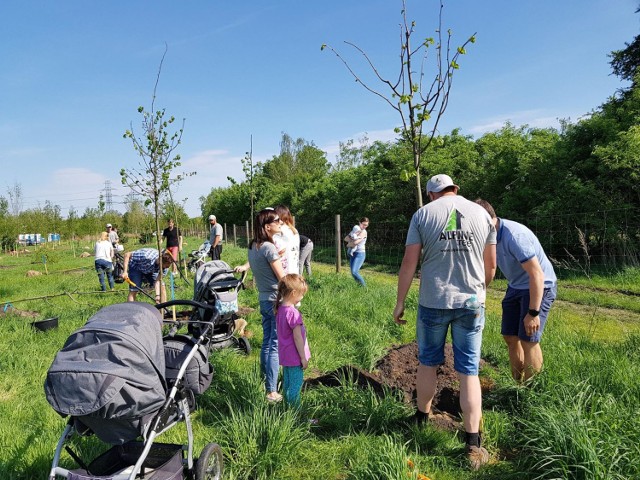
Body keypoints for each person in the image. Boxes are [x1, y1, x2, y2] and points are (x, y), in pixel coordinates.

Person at [393, 174, 497, 470]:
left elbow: (409, 263)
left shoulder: (423, 215)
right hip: (472, 304)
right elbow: (490, 266)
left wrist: (400, 302)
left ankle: (421, 419)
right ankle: (474, 445)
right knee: (469, 370)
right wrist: (479, 290)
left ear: (430, 194)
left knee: (427, 362)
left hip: (433, 301)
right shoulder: (482, 214)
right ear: (456, 189)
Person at [475, 199, 557, 382]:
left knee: (529, 339)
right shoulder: (487, 237)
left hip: (539, 286)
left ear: (485, 220)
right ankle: (516, 384)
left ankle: (528, 393)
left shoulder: (514, 236)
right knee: (510, 337)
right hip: (515, 287)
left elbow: (537, 275)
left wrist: (533, 312)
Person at [234, 209, 286, 403]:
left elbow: (262, 266)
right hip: (276, 300)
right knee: (274, 345)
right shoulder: (269, 248)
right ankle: (271, 391)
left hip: (264, 299)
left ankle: (267, 380)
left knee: (267, 342)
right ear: (267, 226)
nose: (280, 223)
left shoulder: (253, 246)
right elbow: (282, 279)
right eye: (277, 221)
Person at [275, 273, 311, 406]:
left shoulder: (280, 309)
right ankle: (297, 417)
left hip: (285, 356)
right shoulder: (293, 313)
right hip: (295, 357)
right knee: (295, 388)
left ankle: (286, 409)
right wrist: (303, 357)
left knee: (287, 385)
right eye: (302, 294)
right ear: (294, 293)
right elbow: (297, 338)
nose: (302, 297)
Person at [273, 205, 300, 275]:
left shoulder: (279, 231)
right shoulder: (294, 230)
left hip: (284, 273)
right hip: (295, 271)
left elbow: (276, 252)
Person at [347, 217, 369, 286]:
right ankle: (359, 286)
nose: (365, 226)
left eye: (366, 225)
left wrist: (348, 244)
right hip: (353, 253)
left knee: (354, 272)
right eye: (363, 224)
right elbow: (346, 238)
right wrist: (351, 239)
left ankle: (364, 288)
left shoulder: (364, 232)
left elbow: (356, 242)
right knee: (353, 273)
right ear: (360, 223)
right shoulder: (355, 230)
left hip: (360, 254)